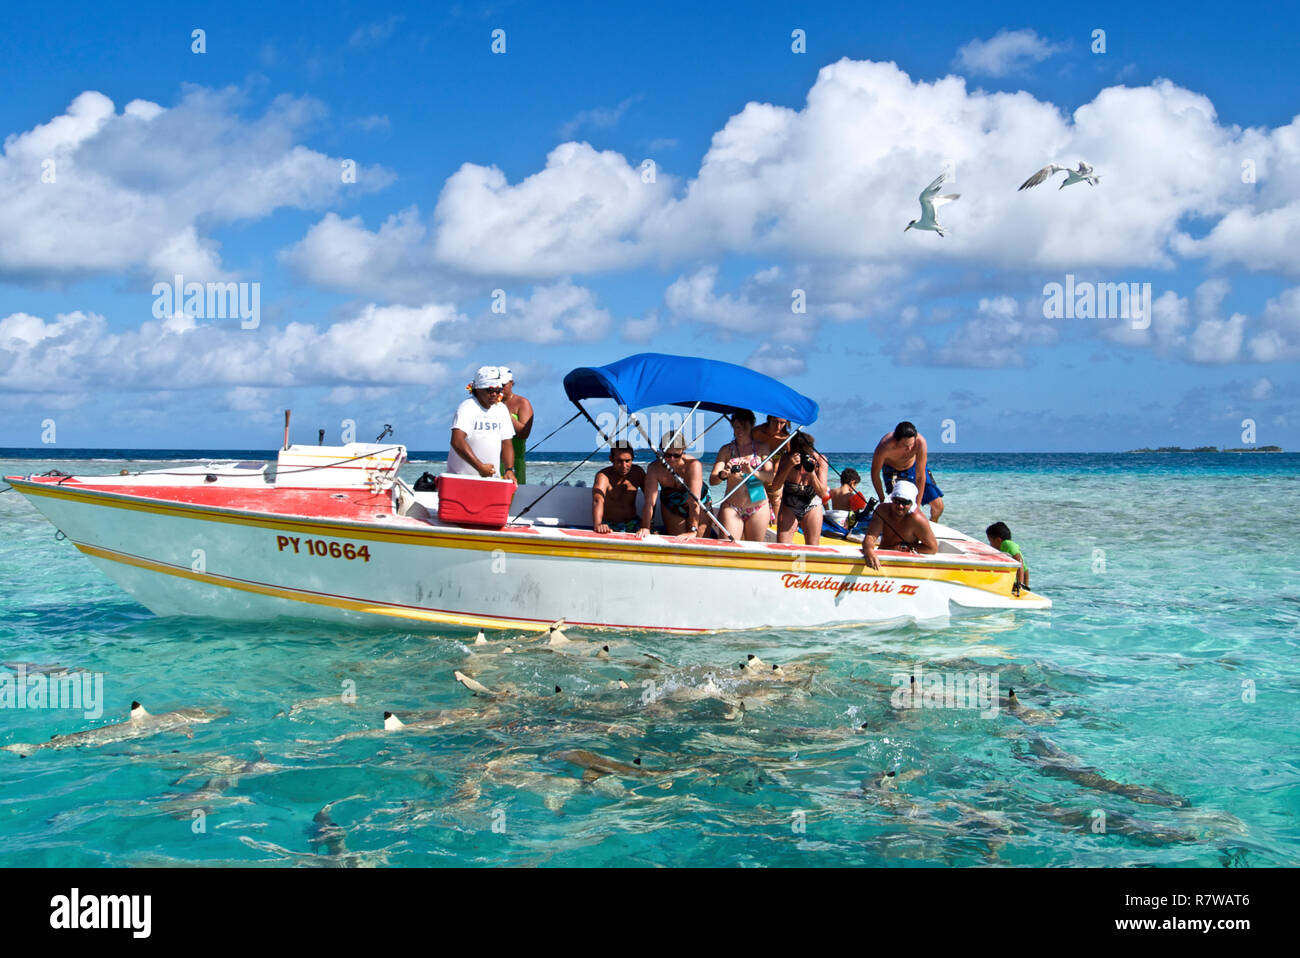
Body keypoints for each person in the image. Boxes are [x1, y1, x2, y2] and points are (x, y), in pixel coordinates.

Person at [710, 409, 774, 542]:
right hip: (733, 505)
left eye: (744, 428)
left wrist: (752, 471)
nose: (739, 431)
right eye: (736, 427)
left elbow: (770, 477)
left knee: (755, 549)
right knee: (728, 546)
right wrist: (723, 475)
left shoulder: (762, 448)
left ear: (751, 426)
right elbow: (713, 480)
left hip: (758, 505)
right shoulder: (727, 450)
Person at [448, 366, 516, 480]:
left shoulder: (501, 409)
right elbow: (457, 441)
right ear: (478, 389)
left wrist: (509, 469)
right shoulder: (467, 408)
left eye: (497, 390)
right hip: (462, 479)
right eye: (489, 390)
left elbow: (506, 443)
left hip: (492, 479)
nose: (494, 394)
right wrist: (480, 467)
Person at [640, 433, 711, 539]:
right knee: (677, 540)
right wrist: (646, 527)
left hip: (699, 501)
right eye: (667, 455)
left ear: (683, 450)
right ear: (661, 450)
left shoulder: (693, 465)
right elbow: (650, 501)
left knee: (699, 540)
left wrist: (693, 530)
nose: (671, 459)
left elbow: (694, 501)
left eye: (676, 455)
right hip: (672, 502)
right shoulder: (654, 468)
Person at [870, 421, 944, 522]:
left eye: (911, 444)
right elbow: (875, 474)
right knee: (900, 508)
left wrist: (917, 506)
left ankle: (930, 527)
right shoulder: (884, 447)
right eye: (905, 445)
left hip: (914, 468)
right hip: (893, 472)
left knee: (938, 507)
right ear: (896, 441)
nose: (909, 448)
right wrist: (882, 499)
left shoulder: (920, 442)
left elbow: (920, 477)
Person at [861, 480, 937, 571]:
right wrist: (868, 549)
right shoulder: (882, 510)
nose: (900, 506)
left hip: (905, 564)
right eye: (897, 501)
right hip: (882, 559)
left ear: (911, 503)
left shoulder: (918, 519)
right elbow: (871, 536)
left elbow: (932, 548)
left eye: (905, 502)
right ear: (892, 499)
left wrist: (903, 548)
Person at [772, 432, 830, 545]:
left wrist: (812, 474)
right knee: (783, 545)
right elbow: (775, 486)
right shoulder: (787, 458)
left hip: (812, 503)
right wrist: (789, 466)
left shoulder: (820, 460)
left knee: (813, 546)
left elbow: (823, 494)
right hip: (790, 503)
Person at [592, 442, 646, 534]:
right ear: (611, 459)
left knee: (654, 535)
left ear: (633, 459)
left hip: (633, 522)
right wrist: (598, 524)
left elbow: (650, 497)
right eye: (619, 461)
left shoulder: (638, 473)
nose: (624, 466)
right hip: (610, 525)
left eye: (627, 461)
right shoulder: (603, 476)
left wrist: (647, 525)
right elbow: (598, 500)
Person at [752, 415, 792, 517]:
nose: (778, 426)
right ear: (769, 419)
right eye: (775, 422)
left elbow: (789, 459)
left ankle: (775, 528)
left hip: (774, 476)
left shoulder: (786, 439)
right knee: (756, 503)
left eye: (782, 423)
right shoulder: (757, 432)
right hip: (755, 474)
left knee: (776, 501)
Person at [500, 367, 533, 484]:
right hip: (492, 458)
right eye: (497, 384)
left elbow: (524, 433)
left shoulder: (522, 402)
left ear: (511, 383)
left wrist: (507, 415)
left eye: (503, 384)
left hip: (514, 461)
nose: (500, 387)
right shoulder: (491, 401)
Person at [986, 521, 1029, 588]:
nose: (990, 545)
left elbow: (1019, 560)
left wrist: (1020, 585)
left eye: (990, 541)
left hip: (1014, 585)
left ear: (998, 540)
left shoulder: (1007, 544)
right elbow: (1026, 571)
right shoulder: (1004, 549)